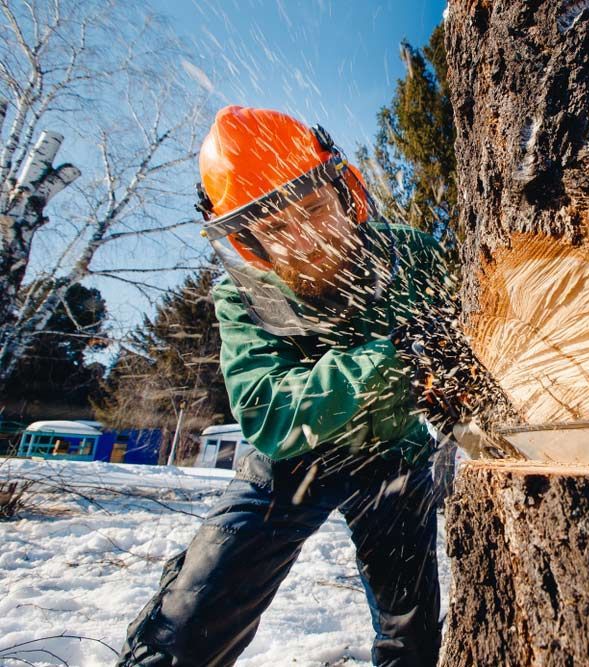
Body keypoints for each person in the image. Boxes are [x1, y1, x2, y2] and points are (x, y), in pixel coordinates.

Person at [117, 105, 455, 667]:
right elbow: (270, 410)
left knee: (413, 638)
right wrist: (396, 359)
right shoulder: (246, 296)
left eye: (315, 208)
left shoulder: (414, 256)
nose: (305, 237)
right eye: (276, 229)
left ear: (348, 195)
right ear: (251, 245)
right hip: (289, 461)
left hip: (393, 456)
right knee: (189, 622)